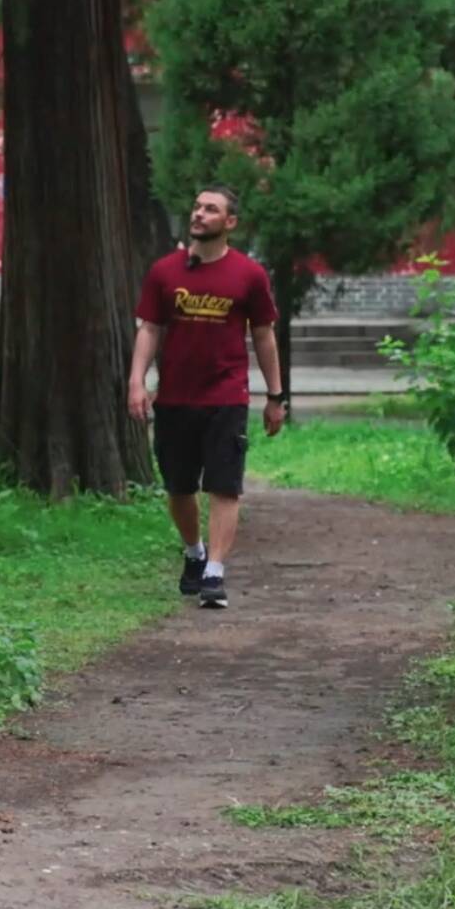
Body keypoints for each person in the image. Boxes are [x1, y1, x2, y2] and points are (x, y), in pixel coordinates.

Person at [127, 186, 288, 608]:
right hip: (176, 398)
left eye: (210, 209)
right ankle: (194, 552)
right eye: (197, 206)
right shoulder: (164, 272)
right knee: (179, 489)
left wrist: (276, 395)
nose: (199, 214)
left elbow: (264, 335)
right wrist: (136, 381)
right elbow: (149, 328)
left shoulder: (249, 275)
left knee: (224, 486)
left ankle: (214, 573)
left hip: (227, 397)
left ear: (229, 222)